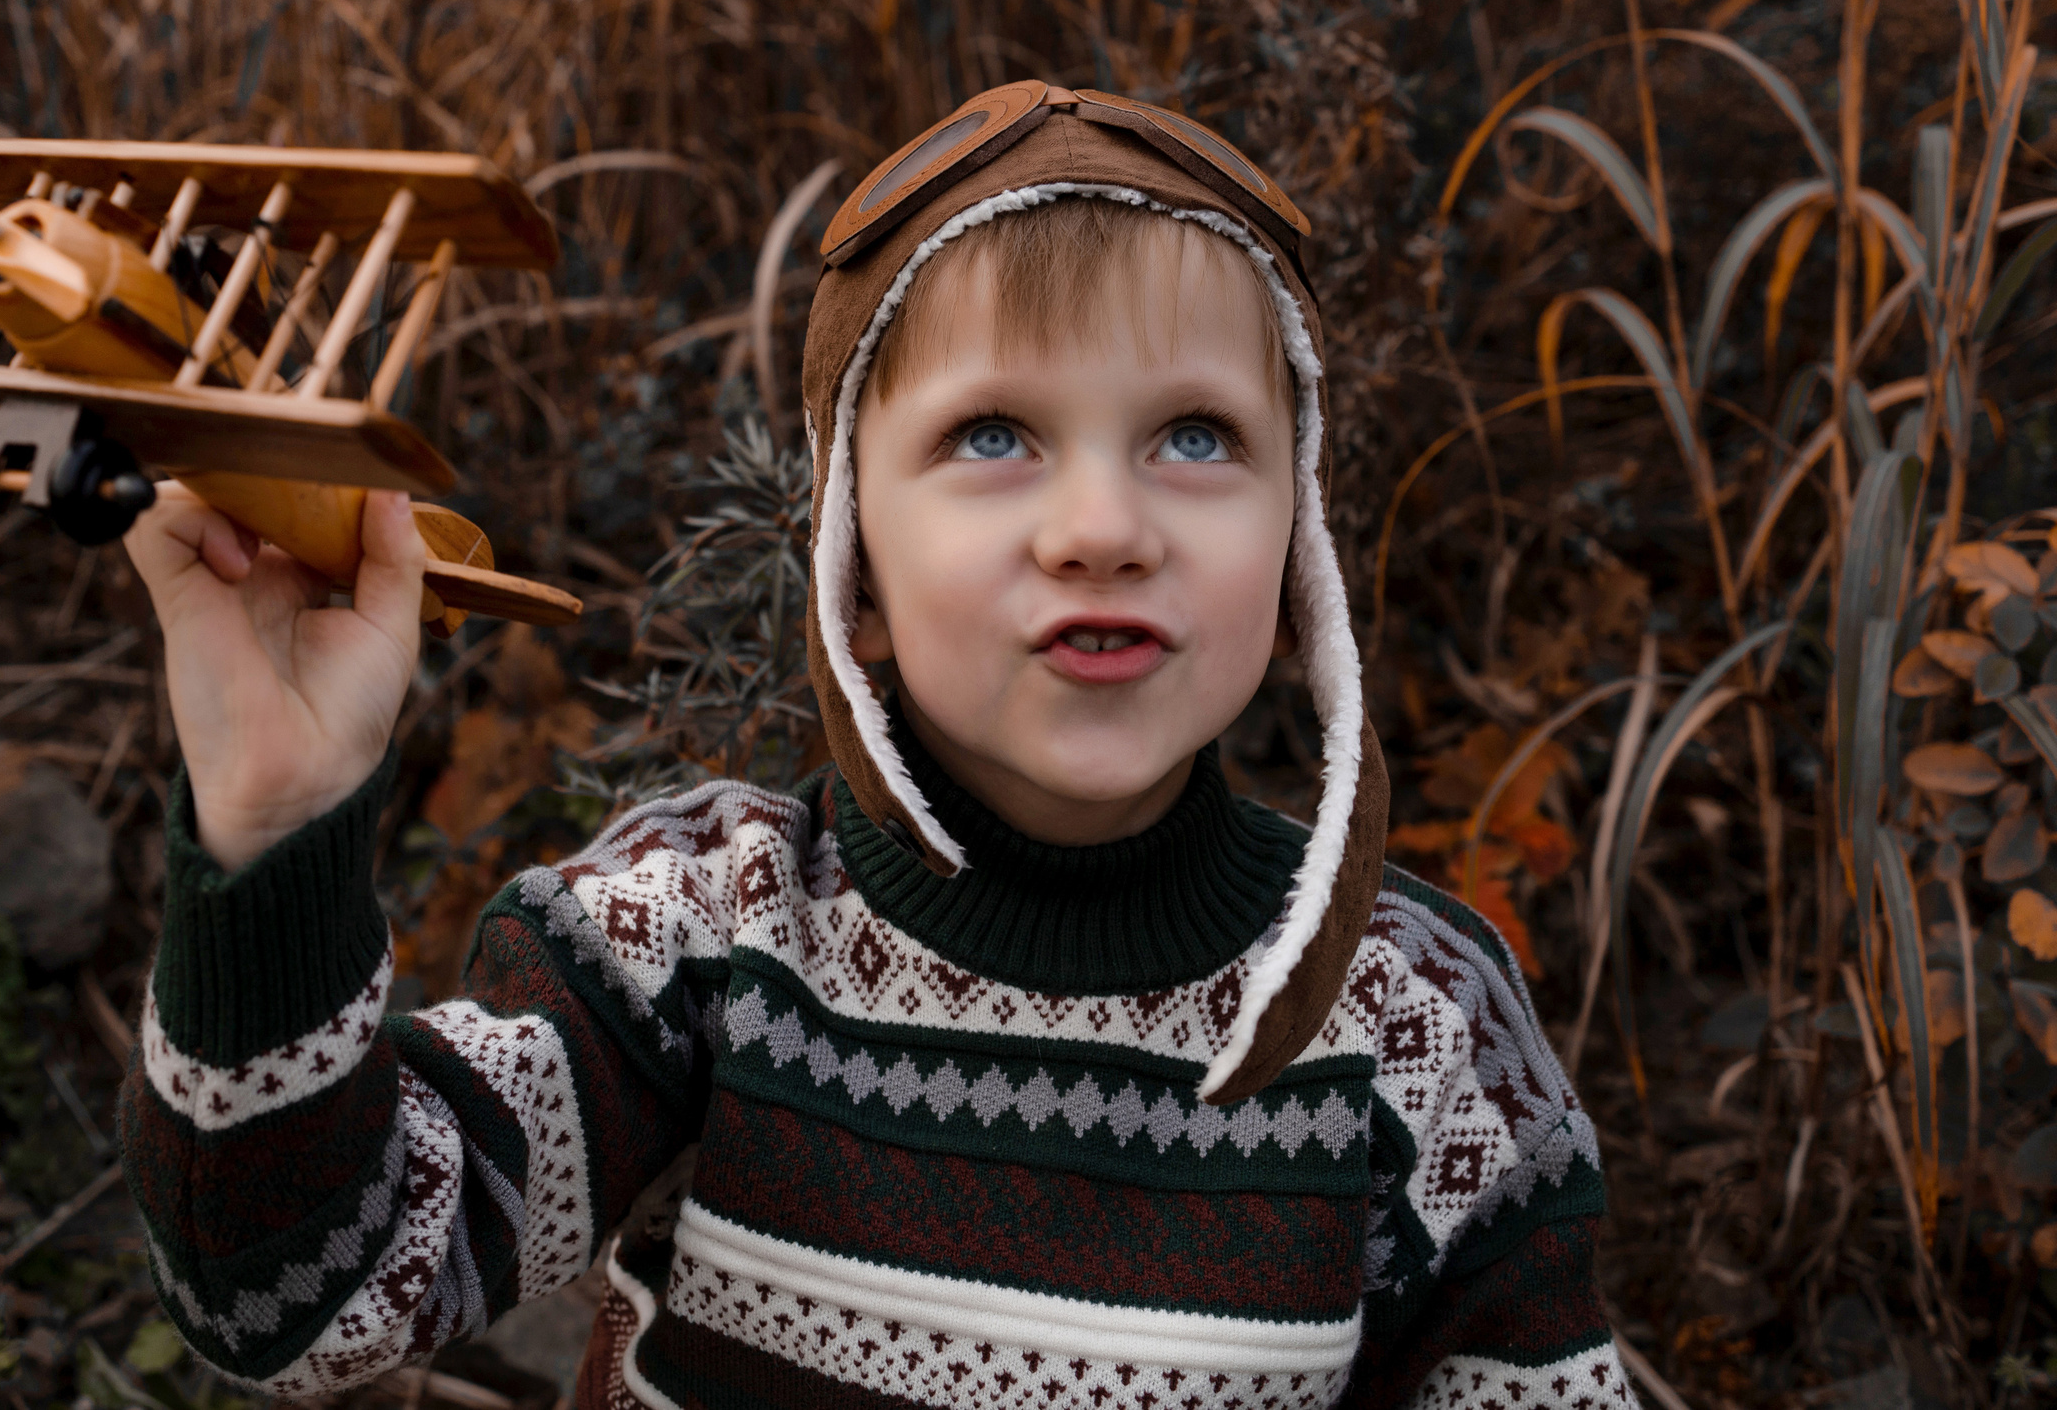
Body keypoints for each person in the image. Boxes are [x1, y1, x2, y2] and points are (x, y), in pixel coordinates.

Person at [117, 80, 1634, 1410]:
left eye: (1197, 436)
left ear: (1298, 544)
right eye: (993, 436)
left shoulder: (1414, 1024)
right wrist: (273, 821)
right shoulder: (711, 936)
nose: (1103, 528)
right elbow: (299, 1304)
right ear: (852, 561)